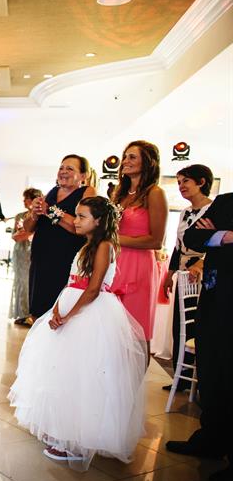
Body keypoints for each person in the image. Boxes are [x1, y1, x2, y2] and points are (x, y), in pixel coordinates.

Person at [9, 196, 147, 471]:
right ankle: (62, 429)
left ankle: (75, 440)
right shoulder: (87, 245)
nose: (77, 220)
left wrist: (70, 316)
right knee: (61, 372)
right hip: (71, 303)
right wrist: (59, 309)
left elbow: (94, 288)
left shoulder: (106, 246)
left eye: (82, 216)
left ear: (99, 221)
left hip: (89, 311)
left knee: (82, 375)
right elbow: (73, 282)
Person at [165, 192, 233, 481]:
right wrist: (227, 236)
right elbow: (192, 237)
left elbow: (205, 235)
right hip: (215, 301)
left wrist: (213, 233)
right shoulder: (226, 201)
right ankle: (210, 440)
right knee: (211, 373)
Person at [111, 141, 168, 351]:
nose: (125, 161)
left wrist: (115, 239)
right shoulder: (121, 194)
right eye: (125, 157)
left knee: (136, 331)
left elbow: (156, 241)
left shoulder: (155, 193)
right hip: (115, 263)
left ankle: (134, 382)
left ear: (148, 162)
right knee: (112, 328)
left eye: (132, 157)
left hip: (138, 265)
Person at [24, 155, 96, 319]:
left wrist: (49, 211)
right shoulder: (52, 192)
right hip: (40, 259)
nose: (63, 172)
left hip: (64, 260)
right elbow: (28, 228)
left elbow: (80, 227)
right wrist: (34, 214)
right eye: (61, 168)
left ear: (83, 176)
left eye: (70, 169)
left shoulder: (87, 192)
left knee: (58, 310)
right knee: (37, 309)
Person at [161, 164, 213, 390]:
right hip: (183, 273)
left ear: (201, 182)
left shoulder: (214, 210)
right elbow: (177, 247)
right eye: (179, 182)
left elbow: (215, 245)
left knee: (200, 323)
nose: (181, 186)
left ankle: (203, 379)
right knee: (180, 324)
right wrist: (168, 275)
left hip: (204, 274)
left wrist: (201, 263)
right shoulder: (183, 213)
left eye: (186, 181)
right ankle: (180, 376)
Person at [9, 188, 42, 325]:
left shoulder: (41, 215)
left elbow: (27, 233)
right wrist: (27, 233)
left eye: (25, 198)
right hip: (21, 252)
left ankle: (32, 313)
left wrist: (26, 233)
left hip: (35, 251)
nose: (24, 201)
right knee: (21, 282)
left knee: (33, 283)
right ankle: (22, 313)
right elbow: (15, 236)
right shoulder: (20, 216)